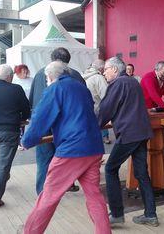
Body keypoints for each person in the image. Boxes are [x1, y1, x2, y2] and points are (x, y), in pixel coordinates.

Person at [21, 61, 110, 234]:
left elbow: (40, 118)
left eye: (47, 78)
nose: (47, 81)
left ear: (50, 76)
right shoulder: (81, 87)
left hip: (72, 150)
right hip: (94, 148)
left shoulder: (55, 89)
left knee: (49, 196)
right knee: (94, 196)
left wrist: (26, 141)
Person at [98, 57, 159, 227]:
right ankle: (150, 214)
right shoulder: (132, 81)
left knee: (110, 169)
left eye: (106, 69)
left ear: (115, 70)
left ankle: (117, 214)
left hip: (129, 134)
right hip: (141, 133)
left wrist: (93, 126)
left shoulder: (118, 84)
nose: (104, 72)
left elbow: (105, 110)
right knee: (141, 174)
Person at [29, 47, 84, 195]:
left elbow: (33, 100)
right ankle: (68, 184)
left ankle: (42, 192)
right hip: (67, 127)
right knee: (67, 158)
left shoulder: (40, 73)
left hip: (43, 126)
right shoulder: (75, 75)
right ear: (68, 60)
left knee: (44, 160)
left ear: (52, 58)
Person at [0, 64, 30, 209]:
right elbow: (26, 109)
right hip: (9, 131)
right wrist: (23, 118)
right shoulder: (16, 89)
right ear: (10, 76)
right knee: (3, 164)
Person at [82, 59, 111, 144]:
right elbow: (106, 96)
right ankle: (105, 138)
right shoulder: (99, 78)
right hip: (97, 108)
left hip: (86, 108)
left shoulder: (83, 75)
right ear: (101, 68)